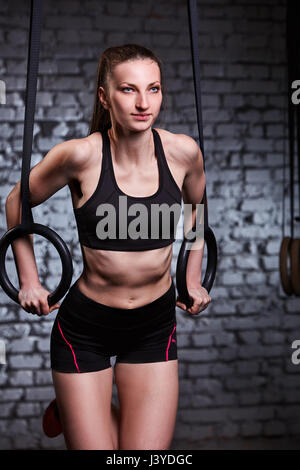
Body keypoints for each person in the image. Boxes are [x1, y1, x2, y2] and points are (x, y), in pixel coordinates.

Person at [5, 43, 211, 450]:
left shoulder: (183, 152)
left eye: (153, 89)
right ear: (105, 95)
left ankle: (83, 409)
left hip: (153, 327)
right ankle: (81, 405)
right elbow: (17, 202)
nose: (143, 103)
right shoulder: (79, 156)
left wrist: (192, 279)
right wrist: (29, 280)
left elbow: (196, 213)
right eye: (128, 90)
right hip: (86, 330)